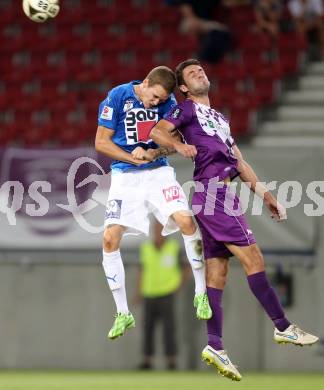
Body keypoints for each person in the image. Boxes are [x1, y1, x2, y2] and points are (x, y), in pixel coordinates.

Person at [149, 58, 319, 381]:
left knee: (218, 271)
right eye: (191, 73)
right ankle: (283, 326)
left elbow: (240, 162)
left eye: (201, 70)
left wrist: (267, 197)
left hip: (219, 193)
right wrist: (177, 145)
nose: (199, 73)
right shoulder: (186, 110)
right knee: (253, 258)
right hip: (214, 195)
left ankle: (214, 344)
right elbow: (157, 131)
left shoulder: (220, 119)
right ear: (183, 88)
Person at [95, 65, 212, 341]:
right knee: (110, 239)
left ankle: (200, 293)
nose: (157, 103)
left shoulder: (169, 103)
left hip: (158, 173)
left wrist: (153, 151)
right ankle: (123, 313)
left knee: (186, 220)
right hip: (125, 177)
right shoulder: (117, 96)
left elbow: (174, 143)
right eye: (155, 97)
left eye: (161, 100)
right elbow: (101, 142)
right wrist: (132, 158)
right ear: (145, 83)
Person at [134, 221, 188, 370]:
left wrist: (178, 285)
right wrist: (137, 292)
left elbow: (186, 267)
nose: (157, 233)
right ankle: (147, 361)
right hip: (149, 293)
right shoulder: (146, 248)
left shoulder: (173, 248)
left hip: (167, 293)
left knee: (169, 329)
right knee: (148, 329)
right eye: (155, 230)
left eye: (160, 230)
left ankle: (171, 361)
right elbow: (141, 271)